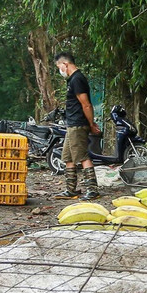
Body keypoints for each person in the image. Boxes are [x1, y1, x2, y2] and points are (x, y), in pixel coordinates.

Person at [53, 52, 102, 200]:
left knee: (82, 157)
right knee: (67, 157)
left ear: (65, 64)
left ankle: (92, 190)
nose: (59, 70)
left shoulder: (77, 79)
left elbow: (86, 104)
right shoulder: (72, 80)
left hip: (78, 124)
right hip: (71, 124)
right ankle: (70, 190)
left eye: (59, 67)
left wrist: (91, 123)